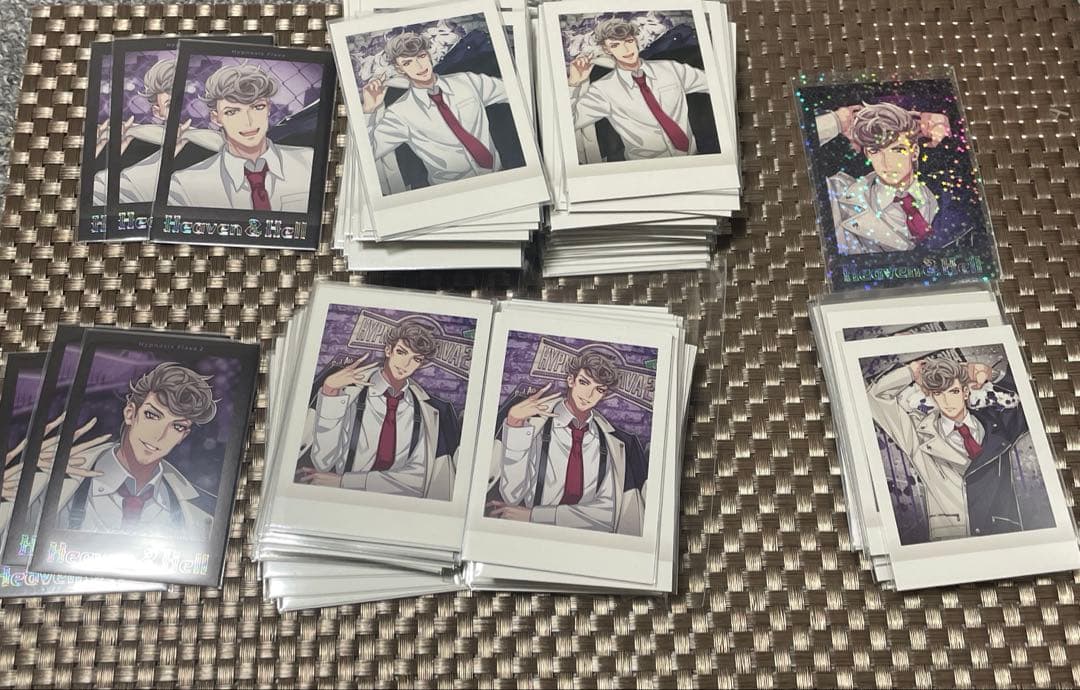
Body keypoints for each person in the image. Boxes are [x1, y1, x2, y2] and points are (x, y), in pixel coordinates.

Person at [42, 363, 219, 538]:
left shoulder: (202, 512)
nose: (159, 435)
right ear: (130, 413)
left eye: (177, 426)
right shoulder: (52, 477)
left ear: (183, 435)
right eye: (152, 415)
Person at [868, 356, 1032, 541]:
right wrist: (910, 372)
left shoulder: (997, 424)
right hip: (951, 537)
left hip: (1002, 534)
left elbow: (1030, 402)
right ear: (932, 396)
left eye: (953, 391)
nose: (947, 401)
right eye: (939, 393)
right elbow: (874, 397)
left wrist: (992, 375)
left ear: (965, 392)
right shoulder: (918, 433)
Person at [296, 318, 462, 500]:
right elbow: (323, 461)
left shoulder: (425, 411)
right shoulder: (350, 393)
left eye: (416, 359)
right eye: (401, 352)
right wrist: (330, 393)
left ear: (421, 364)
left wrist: (344, 482)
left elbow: (416, 482)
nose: (405, 364)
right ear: (388, 350)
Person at [486, 348, 647, 534]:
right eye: (584, 382)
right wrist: (515, 425)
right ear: (571, 380)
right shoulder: (536, 425)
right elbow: (512, 494)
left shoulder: (609, 441)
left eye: (599, 389)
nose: (589, 395)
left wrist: (533, 516)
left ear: (604, 394)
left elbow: (605, 516)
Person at [361, 32, 509, 189]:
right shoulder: (400, 113)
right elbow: (368, 154)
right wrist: (368, 111)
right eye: (408, 63)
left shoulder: (467, 82)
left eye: (421, 56)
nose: (419, 66)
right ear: (400, 69)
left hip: (500, 177)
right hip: (451, 192)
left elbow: (513, 91)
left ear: (429, 55)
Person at [167, 63, 314, 212]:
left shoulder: (310, 162)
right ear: (216, 118)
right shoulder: (184, 185)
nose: (248, 121)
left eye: (257, 107)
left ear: (268, 108)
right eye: (232, 112)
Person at [815, 101, 953, 254]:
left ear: (914, 152)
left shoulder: (943, 194)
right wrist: (836, 121)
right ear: (867, 154)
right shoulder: (839, 193)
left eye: (897, 150)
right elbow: (798, 155)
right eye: (875, 151)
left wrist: (946, 126)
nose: (887, 162)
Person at [566, 18, 709, 161]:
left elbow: (712, 83)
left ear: (635, 40)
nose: (626, 50)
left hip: (693, 158)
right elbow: (570, 123)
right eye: (615, 45)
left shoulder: (670, 69)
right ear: (606, 49)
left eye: (628, 41)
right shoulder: (603, 90)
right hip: (645, 167)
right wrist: (573, 84)